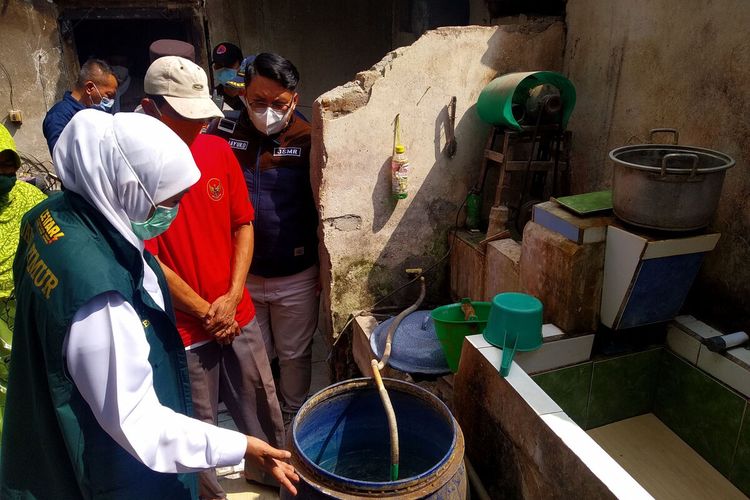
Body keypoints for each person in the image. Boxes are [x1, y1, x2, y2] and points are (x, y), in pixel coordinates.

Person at [0, 110, 298, 499]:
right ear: (126, 186)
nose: (170, 214)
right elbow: (138, 424)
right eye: (167, 201)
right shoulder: (99, 292)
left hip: (44, 433)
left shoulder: (49, 216)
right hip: (105, 469)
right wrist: (242, 446)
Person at [140, 55, 286, 498]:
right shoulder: (133, 169)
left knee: (262, 407)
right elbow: (144, 257)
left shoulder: (216, 149)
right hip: (185, 328)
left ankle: (278, 480)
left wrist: (232, 295)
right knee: (196, 428)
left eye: (200, 115)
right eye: (184, 117)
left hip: (235, 312)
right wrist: (206, 311)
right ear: (150, 109)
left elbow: (243, 223)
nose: (196, 126)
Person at [208, 53, 319, 429]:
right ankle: (264, 420)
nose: (268, 111)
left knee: (294, 354)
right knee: (255, 353)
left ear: (294, 98)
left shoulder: (308, 139)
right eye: (258, 101)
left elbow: (324, 206)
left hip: (296, 273)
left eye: (279, 103)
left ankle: (293, 417)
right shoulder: (224, 134)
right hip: (243, 276)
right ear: (242, 94)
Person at [0, 124, 46, 442]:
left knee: (32, 376)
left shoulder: (30, 198)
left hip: (27, 303)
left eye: (8, 165)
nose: (4, 173)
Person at [42, 58, 117, 154]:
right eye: (109, 95)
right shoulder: (60, 114)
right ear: (90, 88)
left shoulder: (99, 113)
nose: (111, 101)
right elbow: (62, 157)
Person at [211, 42, 245, 111]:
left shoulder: (252, 94)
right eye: (219, 66)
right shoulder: (211, 97)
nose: (224, 70)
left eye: (229, 65)